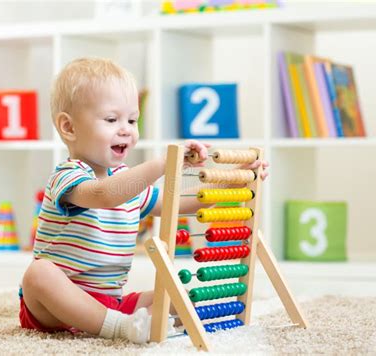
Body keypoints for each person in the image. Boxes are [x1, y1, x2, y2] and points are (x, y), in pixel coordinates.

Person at [19, 57, 268, 344]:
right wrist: (165, 163)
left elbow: (179, 204)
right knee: (38, 275)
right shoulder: (67, 176)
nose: (126, 129)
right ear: (69, 127)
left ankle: (120, 321)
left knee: (180, 296)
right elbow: (105, 195)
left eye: (132, 120)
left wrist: (236, 178)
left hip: (110, 302)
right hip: (52, 306)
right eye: (111, 120)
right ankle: (118, 328)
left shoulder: (128, 181)